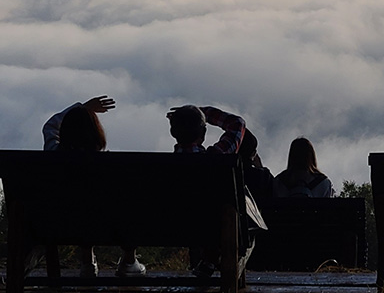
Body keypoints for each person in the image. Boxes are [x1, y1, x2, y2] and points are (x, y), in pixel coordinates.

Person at [41, 96, 146, 278]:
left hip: (60, 224)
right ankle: (129, 261)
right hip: (107, 225)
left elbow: (50, 126)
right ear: (97, 133)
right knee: (129, 205)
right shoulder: (112, 167)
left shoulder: (54, 155)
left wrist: (83, 108)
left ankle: (87, 260)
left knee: (81, 207)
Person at [166, 105, 258, 277]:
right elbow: (238, 123)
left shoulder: (163, 167)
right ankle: (211, 258)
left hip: (174, 226)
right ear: (203, 134)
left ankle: (209, 260)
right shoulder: (217, 157)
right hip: (215, 228)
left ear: (173, 132)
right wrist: (203, 113)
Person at [239, 129, 274, 205]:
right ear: (252, 154)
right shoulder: (262, 176)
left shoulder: (223, 171)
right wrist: (260, 168)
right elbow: (274, 191)